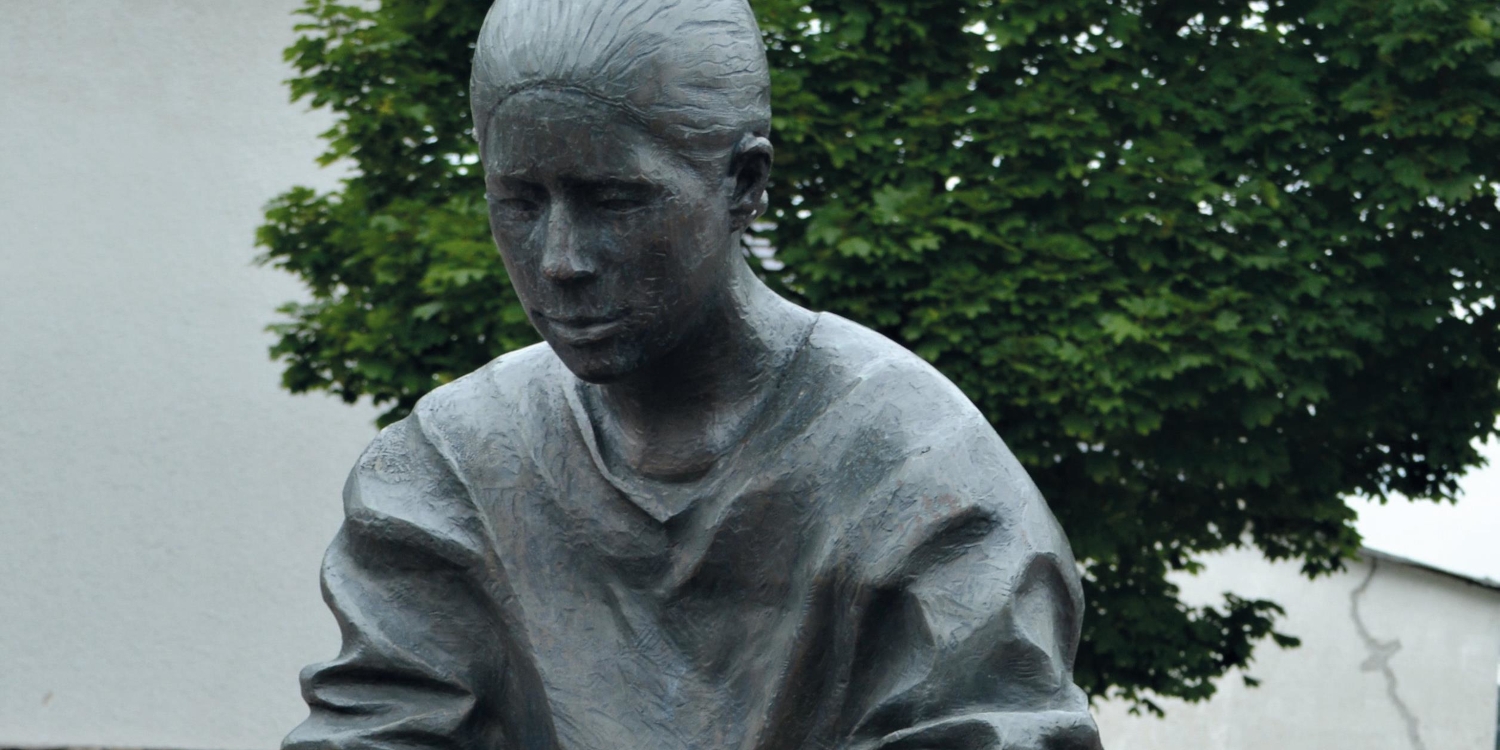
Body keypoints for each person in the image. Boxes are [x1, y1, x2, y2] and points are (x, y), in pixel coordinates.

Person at [284, 0, 1104, 748]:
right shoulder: (451, 467)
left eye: (614, 200)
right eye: (520, 202)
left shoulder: (920, 470)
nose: (560, 260)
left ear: (744, 184)